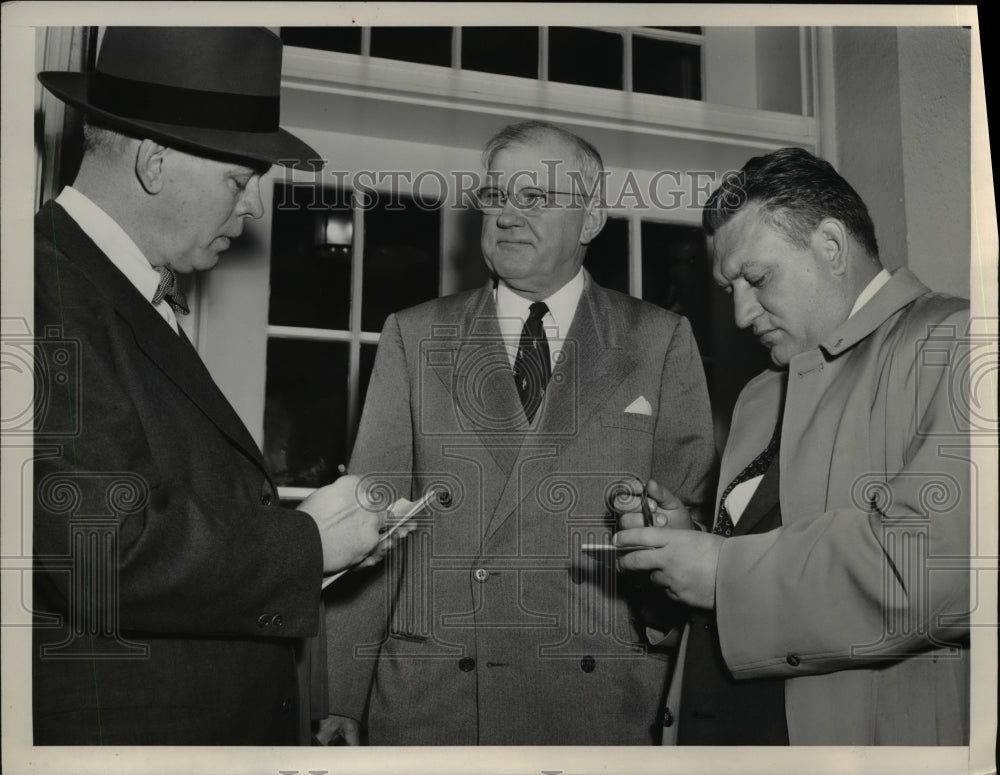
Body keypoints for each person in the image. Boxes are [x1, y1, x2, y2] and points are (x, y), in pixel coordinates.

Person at [33, 27, 407, 745]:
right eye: (240, 181)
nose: (252, 209)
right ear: (153, 161)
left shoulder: (109, 289)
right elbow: (99, 546)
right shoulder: (40, 288)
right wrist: (307, 543)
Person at [318, 120, 716, 745]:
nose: (505, 214)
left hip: (596, 697)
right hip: (434, 696)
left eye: (534, 198)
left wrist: (661, 622)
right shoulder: (415, 335)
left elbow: (686, 523)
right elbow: (372, 520)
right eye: (498, 195)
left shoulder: (657, 339)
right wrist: (339, 696)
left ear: (589, 221)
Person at [614, 147, 970, 745]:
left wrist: (721, 571)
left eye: (756, 278)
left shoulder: (956, 340)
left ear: (830, 246)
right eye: (730, 288)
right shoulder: (759, 395)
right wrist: (692, 544)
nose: (740, 312)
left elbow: (936, 567)